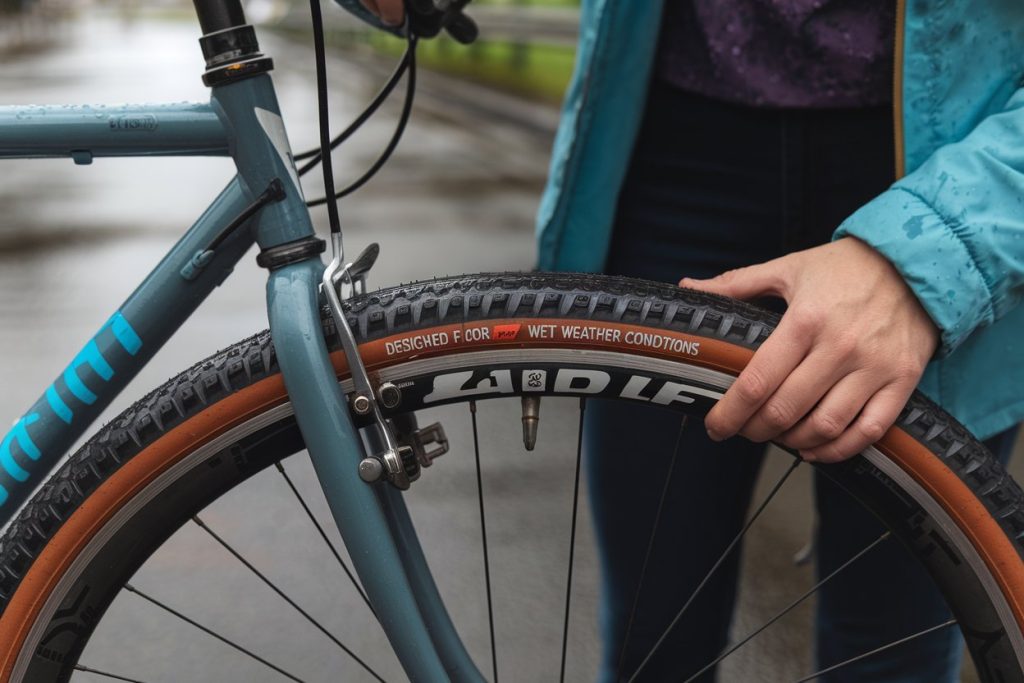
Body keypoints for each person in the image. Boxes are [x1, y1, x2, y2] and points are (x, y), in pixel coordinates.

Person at [344, 1, 1024, 680]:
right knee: (655, 646)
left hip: (954, 150)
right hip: (670, 150)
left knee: (892, 655)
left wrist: (935, 252)